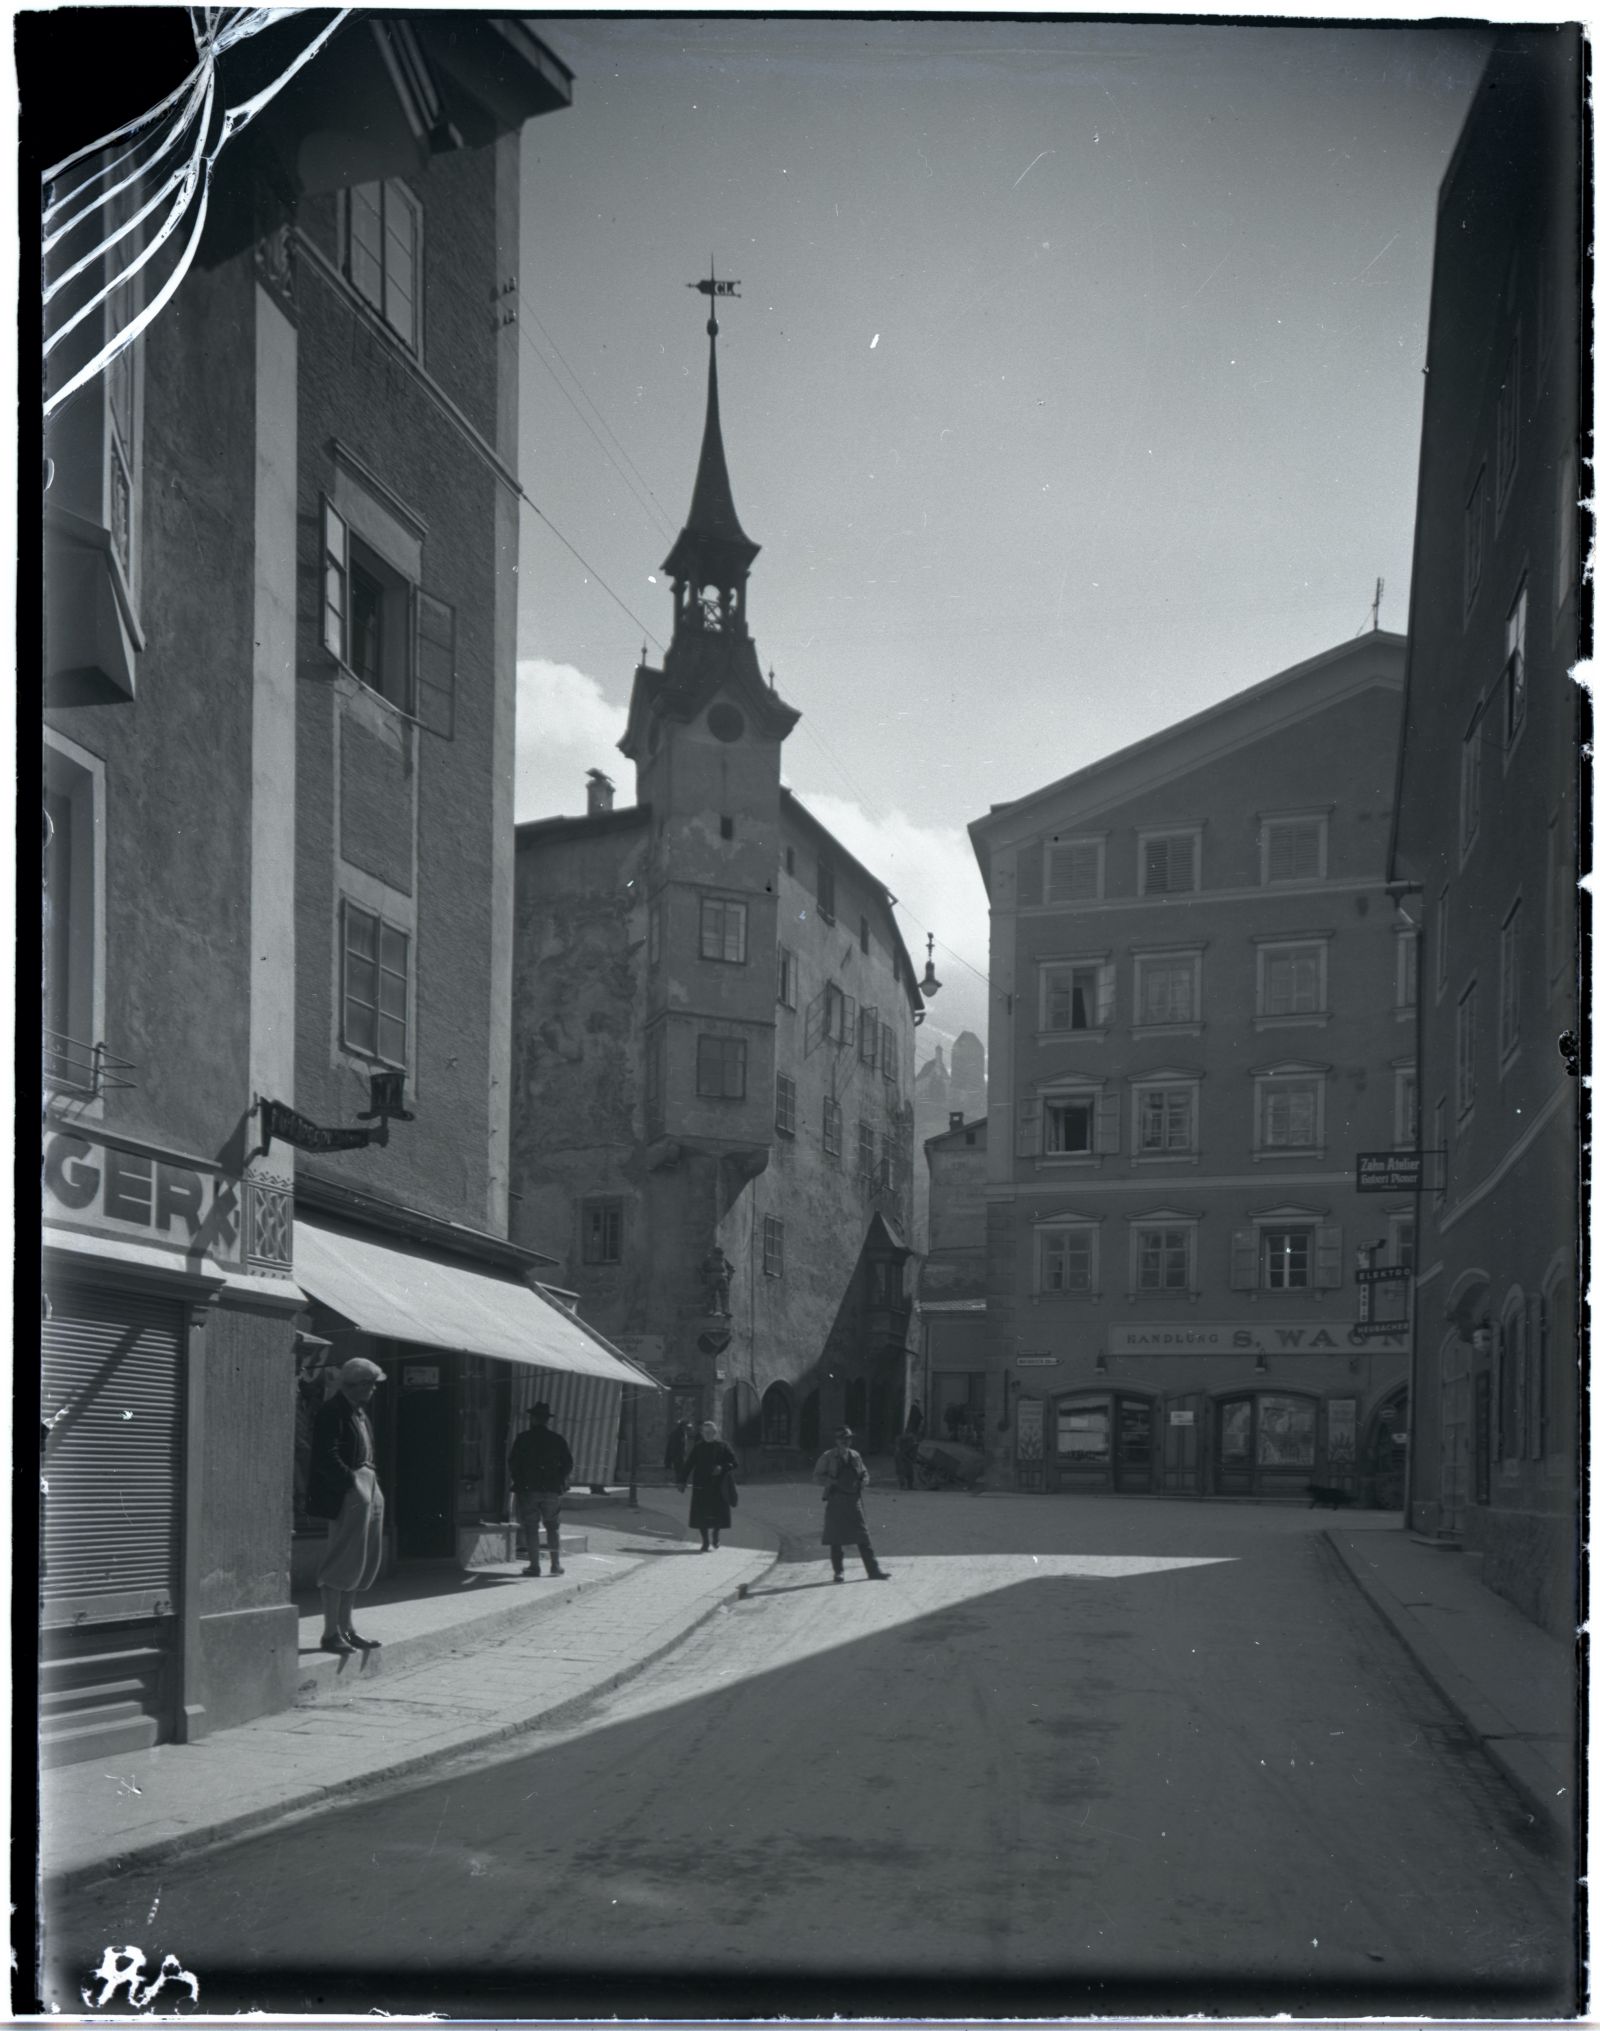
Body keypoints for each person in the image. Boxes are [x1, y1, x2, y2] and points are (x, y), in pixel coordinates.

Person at [306, 1356, 388, 1654]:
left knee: (360, 1560)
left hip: (367, 1483)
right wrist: (351, 1484)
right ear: (359, 1385)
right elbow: (325, 1456)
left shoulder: (359, 1413)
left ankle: (347, 1627)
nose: (374, 1390)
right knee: (342, 1560)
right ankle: (330, 1632)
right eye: (371, 1385)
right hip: (351, 1489)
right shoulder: (333, 1411)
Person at [814, 1425, 890, 1581]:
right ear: (836, 1441)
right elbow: (817, 1477)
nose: (846, 1442)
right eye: (843, 1439)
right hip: (836, 1500)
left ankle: (873, 1571)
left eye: (848, 1439)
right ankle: (838, 1572)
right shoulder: (828, 1457)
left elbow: (864, 1473)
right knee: (836, 1538)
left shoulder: (855, 1456)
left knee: (863, 1536)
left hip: (853, 1501)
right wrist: (832, 1481)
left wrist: (863, 1481)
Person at [508, 1401, 573, 1577]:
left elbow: (513, 1464)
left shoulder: (523, 1438)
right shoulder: (557, 1439)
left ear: (533, 1418)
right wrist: (558, 1480)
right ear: (546, 1420)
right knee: (552, 1527)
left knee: (531, 1527)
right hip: (552, 1490)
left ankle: (534, 1566)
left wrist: (521, 1481)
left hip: (529, 1490)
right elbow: (568, 1464)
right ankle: (555, 1565)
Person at [678, 1418, 738, 1551]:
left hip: (718, 1486)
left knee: (717, 1515)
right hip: (701, 1486)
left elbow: (734, 1463)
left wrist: (722, 1468)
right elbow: (689, 1464)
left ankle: (716, 1535)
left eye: (710, 1432)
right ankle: (705, 1542)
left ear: (715, 1432)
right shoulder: (698, 1447)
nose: (707, 1435)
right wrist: (682, 1481)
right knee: (701, 1516)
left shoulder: (723, 1446)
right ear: (702, 1433)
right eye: (705, 1432)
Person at [663, 1415, 694, 1480]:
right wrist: (673, 1458)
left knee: (681, 1472)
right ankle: (679, 1483)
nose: (688, 1429)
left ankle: (680, 1482)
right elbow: (672, 1447)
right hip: (677, 1457)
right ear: (682, 1426)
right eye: (686, 1427)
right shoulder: (677, 1434)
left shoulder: (682, 1433)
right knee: (679, 1472)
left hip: (680, 1457)